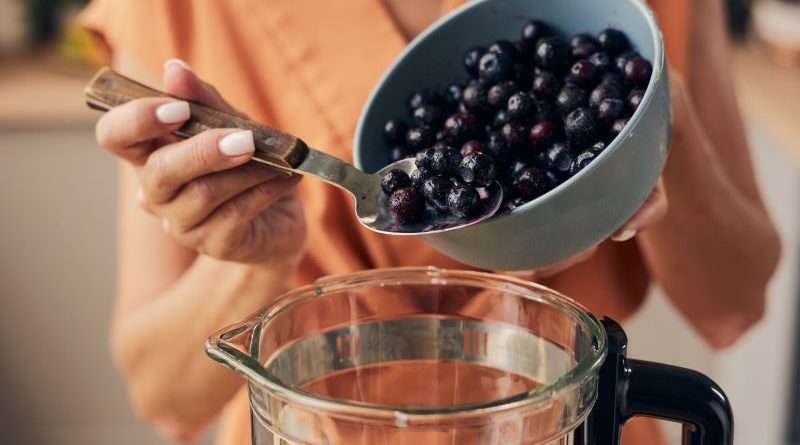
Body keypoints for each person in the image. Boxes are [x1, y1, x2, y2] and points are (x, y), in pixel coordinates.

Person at [79, 0, 780, 443]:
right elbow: (162, 395)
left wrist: (658, 125)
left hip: (569, 425)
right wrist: (262, 262)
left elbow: (735, 304)